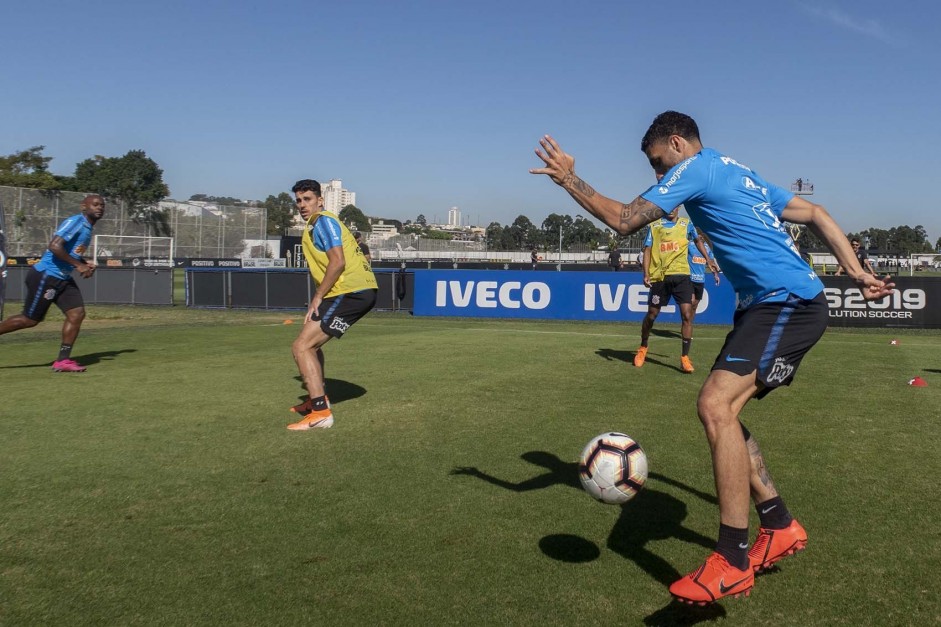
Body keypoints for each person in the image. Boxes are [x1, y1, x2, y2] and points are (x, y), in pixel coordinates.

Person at [531, 111, 893, 605]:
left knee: (715, 406)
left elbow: (622, 221)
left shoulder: (696, 168)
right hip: (767, 307)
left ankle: (733, 559)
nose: (660, 177)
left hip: (787, 302)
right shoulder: (735, 169)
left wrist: (568, 178)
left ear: (677, 144)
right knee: (725, 412)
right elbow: (817, 213)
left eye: (660, 164)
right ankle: (779, 525)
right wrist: (856, 273)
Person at [287, 179, 378, 431]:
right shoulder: (317, 224)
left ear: (320, 200)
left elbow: (337, 262)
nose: (302, 205)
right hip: (353, 290)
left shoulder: (323, 221)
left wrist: (317, 296)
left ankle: (321, 412)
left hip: (350, 291)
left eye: (307, 199)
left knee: (301, 346)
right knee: (310, 345)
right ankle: (319, 398)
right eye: (298, 200)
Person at [0, 194, 105, 372]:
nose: (99, 207)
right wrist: (78, 265)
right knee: (29, 320)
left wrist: (83, 261)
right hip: (46, 275)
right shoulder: (76, 222)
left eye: (102, 205)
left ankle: (63, 361)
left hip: (63, 278)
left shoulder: (87, 228)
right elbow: (54, 246)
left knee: (77, 313)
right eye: (95, 204)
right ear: (83, 207)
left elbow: (69, 251)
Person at [636, 205, 716, 373]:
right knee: (652, 315)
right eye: (668, 207)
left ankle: (684, 358)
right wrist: (646, 273)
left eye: (674, 207)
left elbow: (697, 240)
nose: (671, 210)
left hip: (682, 276)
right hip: (661, 277)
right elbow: (648, 250)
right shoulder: (654, 226)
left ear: (679, 207)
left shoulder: (686, 225)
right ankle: (643, 347)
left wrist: (708, 259)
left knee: (687, 314)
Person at [689, 231, 721, 322]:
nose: (701, 237)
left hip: (700, 279)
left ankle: (689, 324)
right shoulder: (689, 245)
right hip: (690, 278)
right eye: (699, 235)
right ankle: (686, 323)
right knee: (691, 302)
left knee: (695, 305)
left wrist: (715, 275)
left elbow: (711, 262)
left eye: (702, 235)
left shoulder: (707, 248)